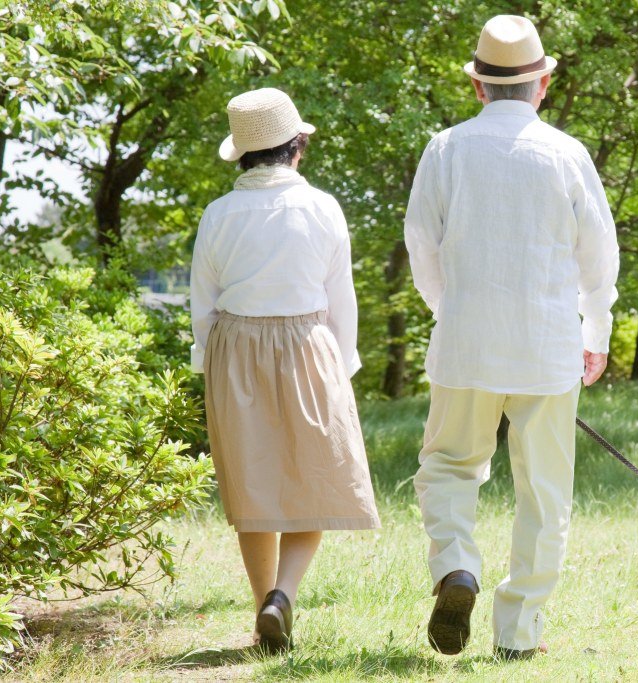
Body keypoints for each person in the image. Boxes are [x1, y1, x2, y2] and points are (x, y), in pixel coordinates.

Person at [404, 14, 620, 661]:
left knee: (447, 466)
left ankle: (456, 567)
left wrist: (453, 308)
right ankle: (519, 634)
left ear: (477, 86)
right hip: (548, 344)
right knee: (544, 493)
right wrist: (598, 328)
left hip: (465, 342)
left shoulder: (445, 148)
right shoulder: (567, 154)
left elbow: (421, 244)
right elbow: (599, 257)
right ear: (543, 83)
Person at [190, 87, 380, 653]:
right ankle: (284, 596)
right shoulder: (323, 207)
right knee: (314, 479)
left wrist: (211, 368)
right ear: (297, 147)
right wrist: (343, 366)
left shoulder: (218, 214)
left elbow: (203, 302)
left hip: (235, 348)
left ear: (243, 154)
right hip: (307, 343)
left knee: (255, 485)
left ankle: (260, 611)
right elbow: (339, 297)